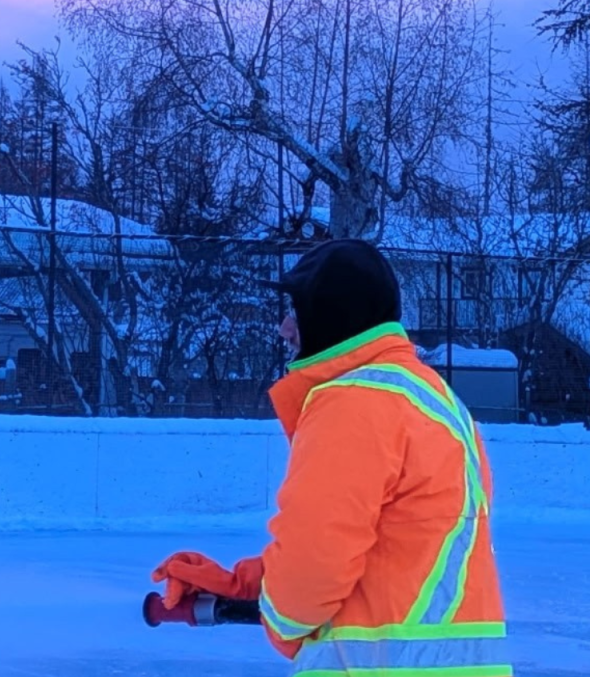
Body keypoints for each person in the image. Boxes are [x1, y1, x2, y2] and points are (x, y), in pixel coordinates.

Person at [151, 239, 509, 675]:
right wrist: (243, 585)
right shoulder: (434, 400)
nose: (286, 328)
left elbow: (309, 578)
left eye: (297, 310)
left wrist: (281, 616)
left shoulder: (353, 401)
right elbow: (390, 552)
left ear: (331, 315)